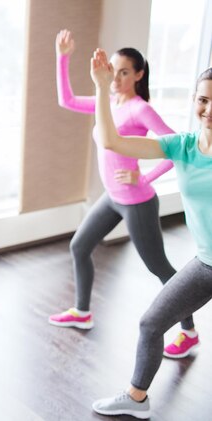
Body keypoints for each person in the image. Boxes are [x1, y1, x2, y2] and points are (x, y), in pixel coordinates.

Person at [47, 30, 198, 357]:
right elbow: (67, 100)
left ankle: (188, 331)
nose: (115, 78)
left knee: (159, 267)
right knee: (79, 246)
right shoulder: (110, 102)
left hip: (138, 202)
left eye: (124, 72)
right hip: (113, 197)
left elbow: (177, 149)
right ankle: (82, 311)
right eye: (112, 71)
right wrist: (63, 57)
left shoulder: (139, 109)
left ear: (139, 75)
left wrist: (143, 177)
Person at [89, 49, 212, 419]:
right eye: (203, 100)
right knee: (151, 322)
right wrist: (99, 87)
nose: (208, 109)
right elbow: (110, 141)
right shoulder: (183, 146)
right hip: (206, 263)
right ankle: (137, 397)